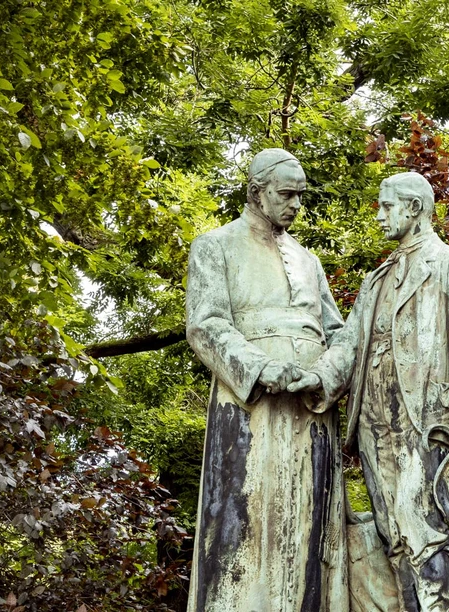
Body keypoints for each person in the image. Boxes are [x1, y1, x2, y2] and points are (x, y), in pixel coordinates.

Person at [183, 148, 350, 612]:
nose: (295, 204)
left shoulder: (309, 261)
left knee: (308, 530)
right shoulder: (215, 245)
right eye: (286, 193)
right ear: (257, 192)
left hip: (312, 413)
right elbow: (206, 323)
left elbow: (339, 336)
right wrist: (260, 367)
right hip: (250, 410)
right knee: (246, 526)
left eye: (300, 195)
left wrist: (323, 376)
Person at [326, 172, 449, 612]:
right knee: (392, 533)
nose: (379, 215)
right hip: (372, 420)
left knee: (421, 531)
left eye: (387, 206)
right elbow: (347, 346)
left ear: (414, 208)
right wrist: (315, 383)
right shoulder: (375, 279)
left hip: (424, 420)